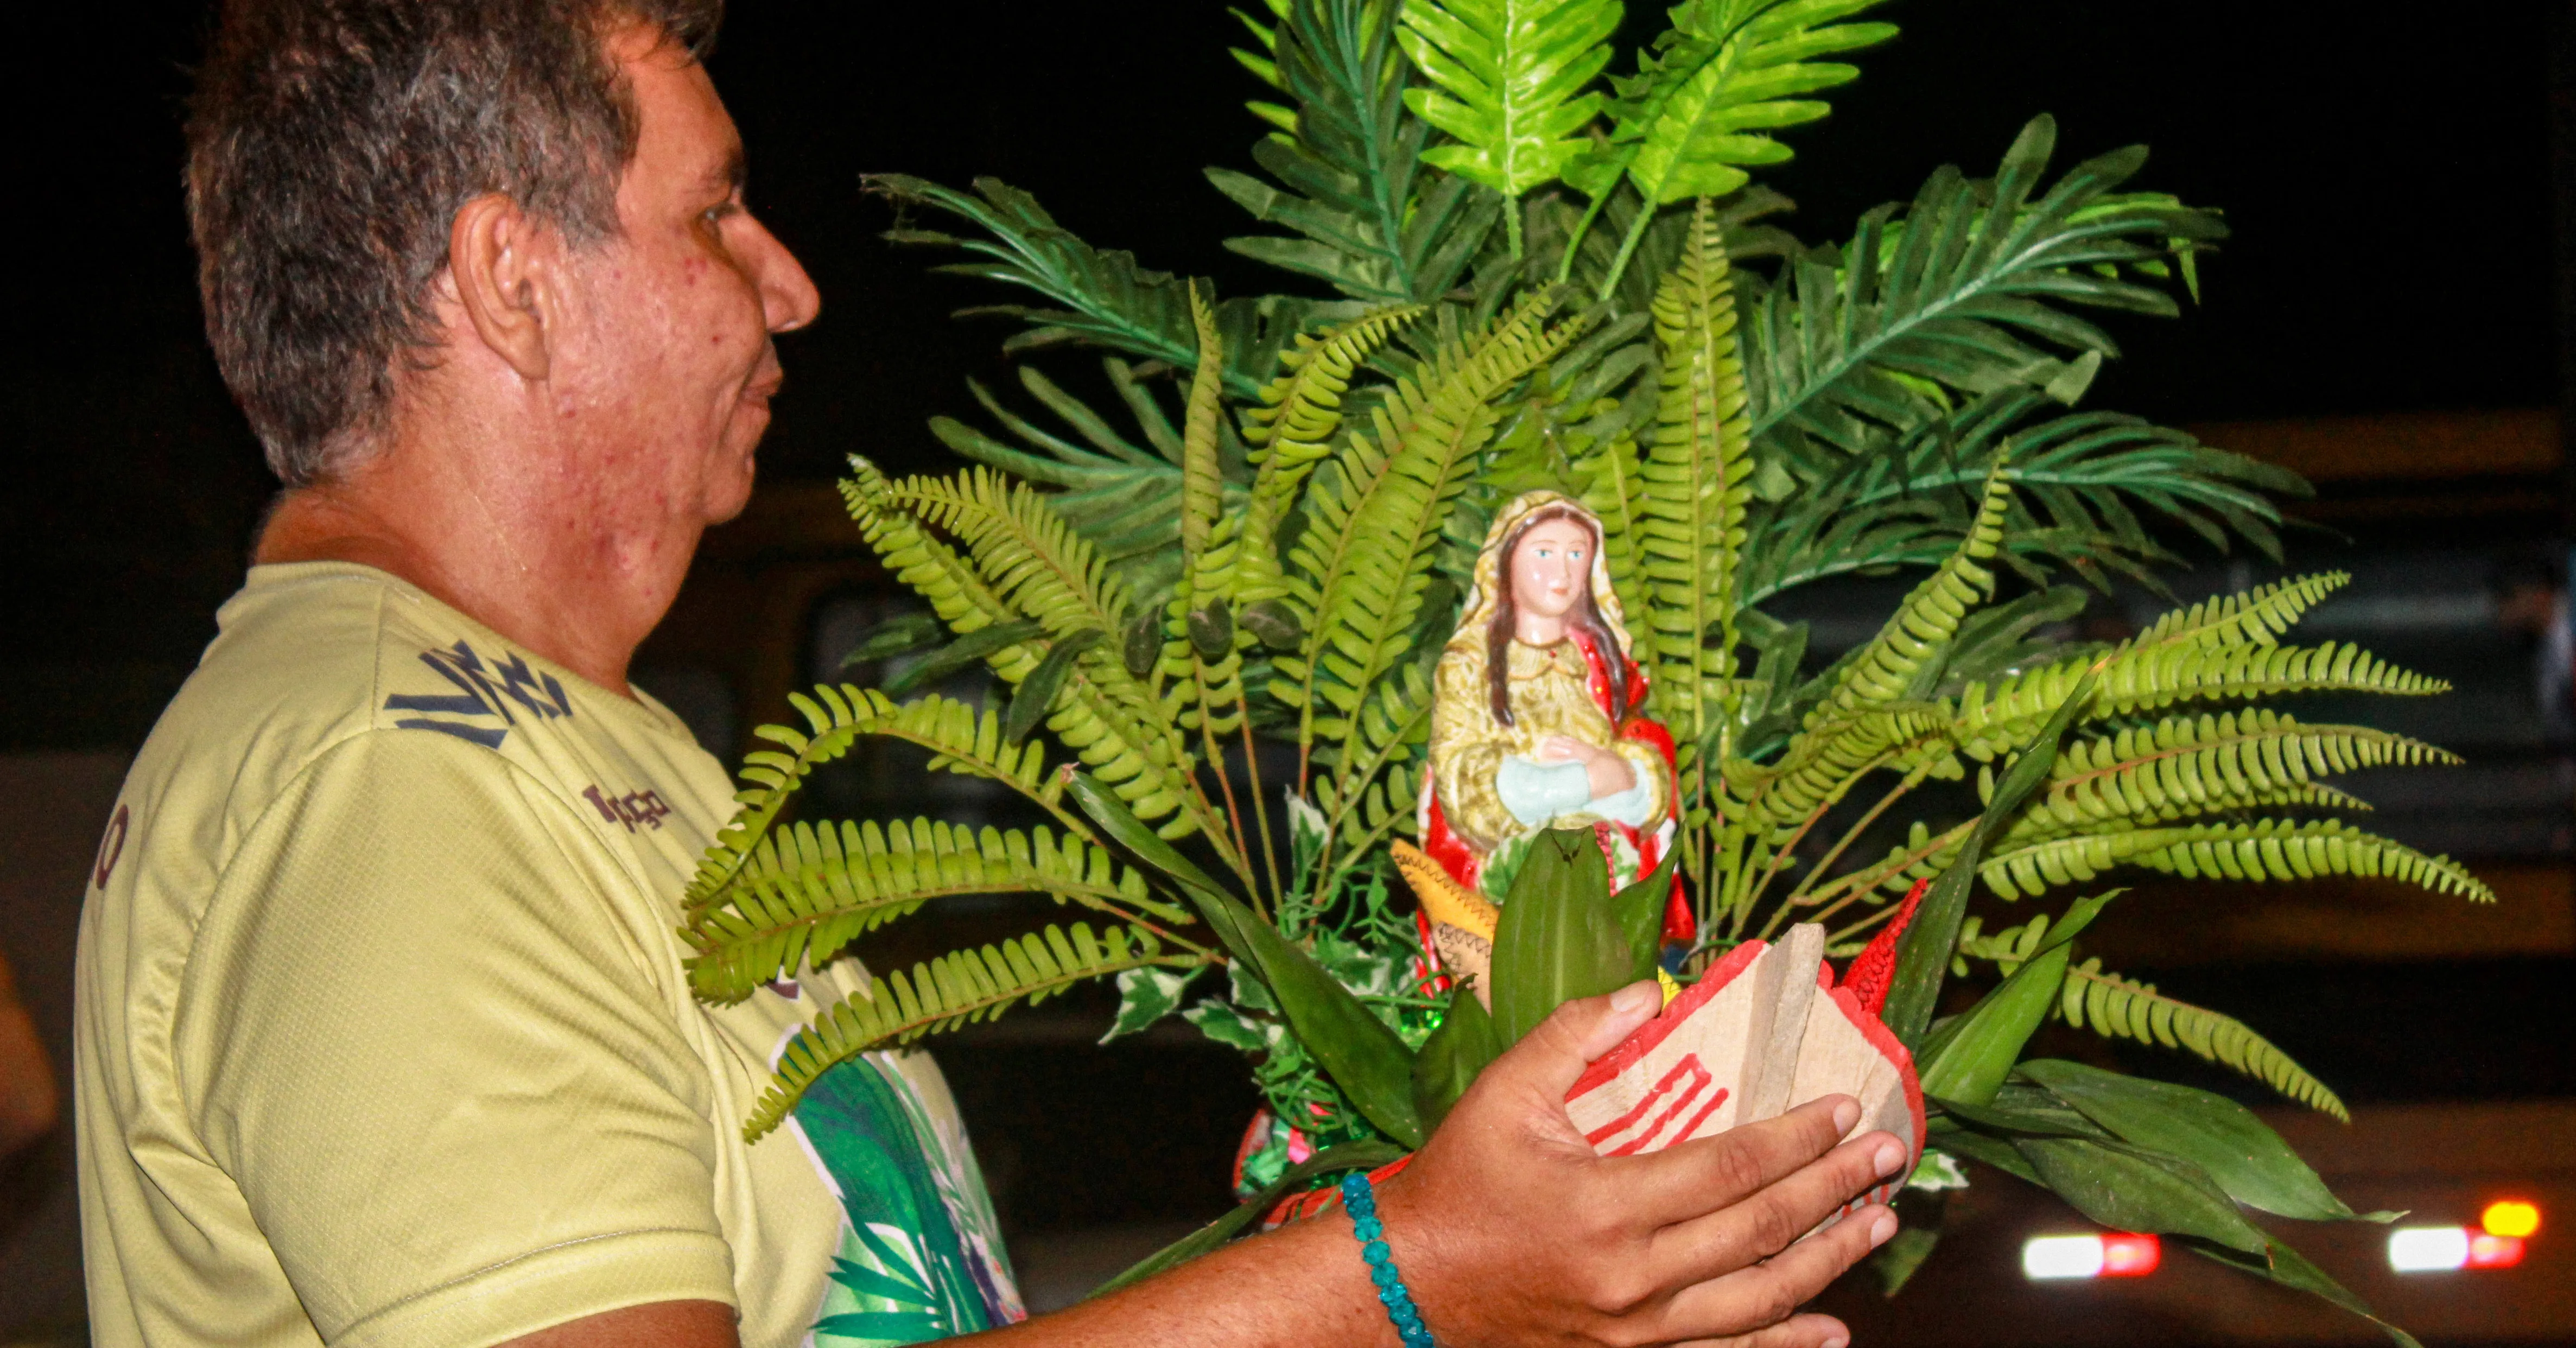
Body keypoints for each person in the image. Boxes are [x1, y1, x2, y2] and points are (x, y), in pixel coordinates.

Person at [70, 2, 1907, 1346]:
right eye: (714, 216)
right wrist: (1401, 1271)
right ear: (511, 281)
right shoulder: (388, 781)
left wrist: (1500, 1274)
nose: (785, 287)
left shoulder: (557, 738)